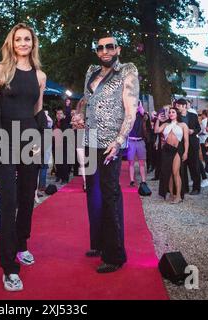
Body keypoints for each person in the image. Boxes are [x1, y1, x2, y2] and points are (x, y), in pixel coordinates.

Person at [73, 35, 139, 273]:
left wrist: (120, 140)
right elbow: (85, 101)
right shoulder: (91, 71)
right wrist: (78, 116)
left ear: (117, 49)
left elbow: (131, 110)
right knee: (93, 192)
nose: (105, 50)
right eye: (100, 47)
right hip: (89, 138)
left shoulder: (127, 71)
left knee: (110, 194)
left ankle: (115, 255)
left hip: (111, 141)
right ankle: (99, 244)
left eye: (109, 46)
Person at [0, 23, 46, 291]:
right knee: (9, 201)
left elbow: (38, 111)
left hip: (31, 138)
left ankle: (22, 243)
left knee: (26, 197)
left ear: (33, 44)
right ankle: (9, 267)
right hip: (4, 138)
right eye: (18, 39)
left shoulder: (40, 75)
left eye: (27, 39)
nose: (23, 43)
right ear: (11, 43)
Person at [154, 107, 189, 203]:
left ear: (177, 113)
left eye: (173, 112)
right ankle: (172, 194)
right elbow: (156, 131)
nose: (171, 113)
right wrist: (158, 120)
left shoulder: (183, 125)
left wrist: (186, 152)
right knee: (168, 173)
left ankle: (178, 196)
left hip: (177, 149)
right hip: (166, 150)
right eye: (169, 112)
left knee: (175, 172)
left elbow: (186, 141)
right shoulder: (165, 124)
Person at [176, 98, 202, 195]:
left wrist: (193, 131)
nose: (177, 107)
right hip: (181, 143)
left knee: (194, 165)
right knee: (182, 166)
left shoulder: (193, 116)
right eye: (177, 105)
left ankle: (196, 188)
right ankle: (185, 187)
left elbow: (198, 128)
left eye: (179, 105)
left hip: (192, 142)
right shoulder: (177, 117)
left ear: (184, 106)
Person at [127, 100, 148, 188]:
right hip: (131, 141)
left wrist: (140, 106)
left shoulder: (142, 115)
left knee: (142, 162)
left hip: (140, 141)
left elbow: (145, 115)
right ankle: (132, 180)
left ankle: (143, 181)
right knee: (131, 162)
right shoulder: (128, 115)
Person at [53, 107, 71, 184]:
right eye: (57, 113)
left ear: (64, 115)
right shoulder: (55, 123)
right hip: (56, 145)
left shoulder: (66, 122)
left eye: (61, 113)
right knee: (57, 162)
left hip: (64, 145)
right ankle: (58, 176)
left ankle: (65, 178)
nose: (59, 115)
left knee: (64, 162)